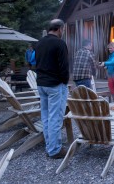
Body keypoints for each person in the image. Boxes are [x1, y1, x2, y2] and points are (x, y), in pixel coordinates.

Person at [35, 19, 69, 159]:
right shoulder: (59, 43)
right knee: (55, 117)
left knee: (46, 116)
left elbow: (36, 62)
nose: (63, 32)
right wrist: (65, 82)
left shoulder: (39, 43)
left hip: (41, 84)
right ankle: (55, 150)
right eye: (63, 29)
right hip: (55, 85)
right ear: (59, 29)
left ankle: (50, 146)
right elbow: (64, 66)